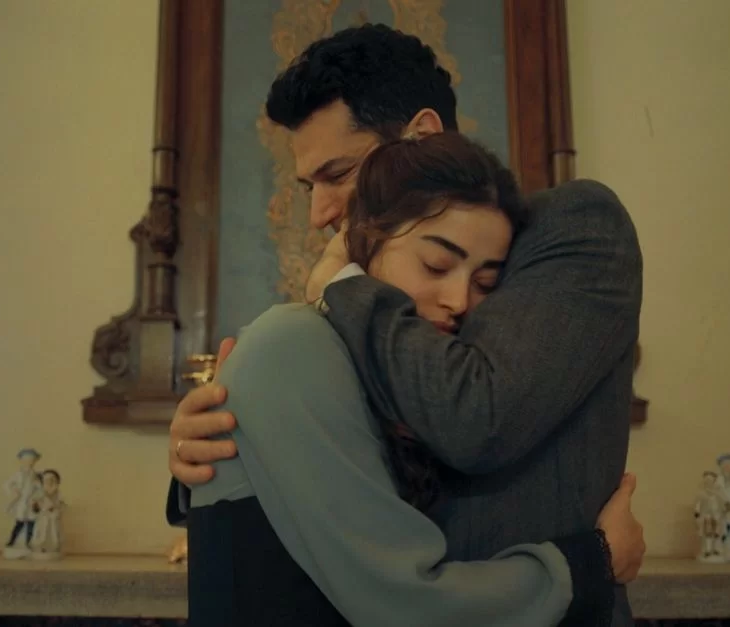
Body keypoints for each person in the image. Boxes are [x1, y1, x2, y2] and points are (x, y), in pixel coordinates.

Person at [170, 23, 645, 624]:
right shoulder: (351, 309)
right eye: (309, 185)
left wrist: (342, 287)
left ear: (420, 136)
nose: (318, 213)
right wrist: (218, 444)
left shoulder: (572, 224)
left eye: (339, 174)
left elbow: (479, 418)